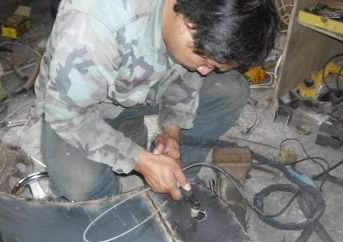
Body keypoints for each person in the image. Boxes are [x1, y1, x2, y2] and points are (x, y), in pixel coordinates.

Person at [34, 0, 277, 201]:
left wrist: (173, 133)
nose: (205, 72)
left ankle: (176, 174)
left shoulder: (198, 19)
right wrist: (140, 160)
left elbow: (187, 75)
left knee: (230, 89)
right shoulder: (93, 26)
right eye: (207, 63)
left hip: (142, 89)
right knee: (82, 185)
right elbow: (66, 115)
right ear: (187, 23)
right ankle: (114, 209)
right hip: (82, 110)